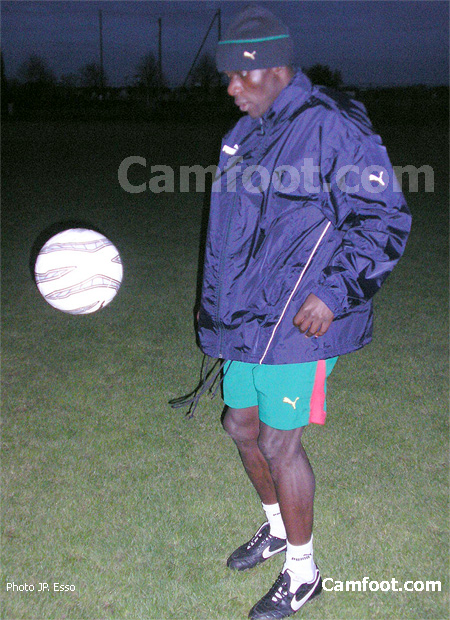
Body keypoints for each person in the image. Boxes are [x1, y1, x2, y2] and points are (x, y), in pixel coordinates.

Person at [193, 5, 411, 619]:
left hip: (301, 320)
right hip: (250, 317)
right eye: (228, 77)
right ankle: (274, 528)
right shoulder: (247, 133)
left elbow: (383, 217)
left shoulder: (331, 126)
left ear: (275, 69)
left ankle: (303, 571)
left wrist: (335, 293)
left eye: (240, 75)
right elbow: (234, 235)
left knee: (278, 441)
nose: (231, 88)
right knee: (240, 426)